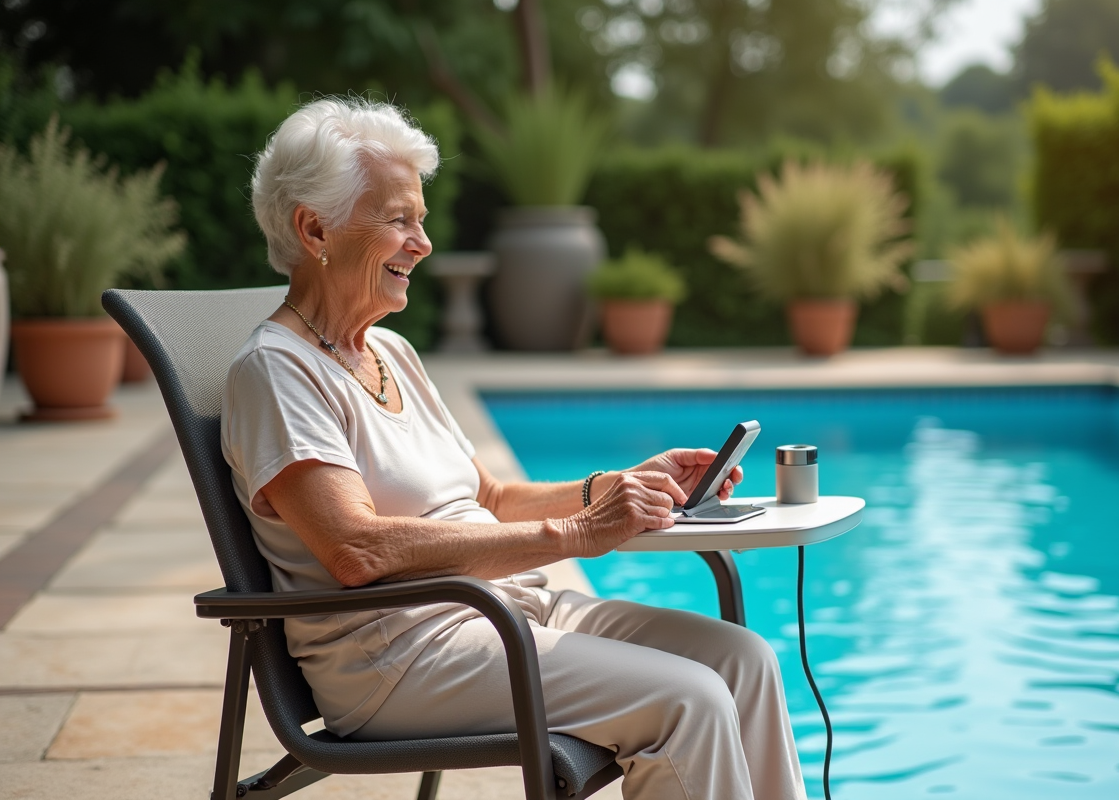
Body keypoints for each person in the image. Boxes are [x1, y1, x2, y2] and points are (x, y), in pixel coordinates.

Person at [221, 97, 804, 800]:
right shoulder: (276, 371)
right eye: (399, 219)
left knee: (745, 661)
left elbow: (488, 499)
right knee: (690, 699)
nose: (423, 242)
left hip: (504, 611)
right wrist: (576, 534)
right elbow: (355, 550)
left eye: (421, 221)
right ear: (315, 229)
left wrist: (620, 486)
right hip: (403, 653)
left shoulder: (390, 353)